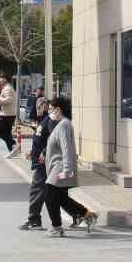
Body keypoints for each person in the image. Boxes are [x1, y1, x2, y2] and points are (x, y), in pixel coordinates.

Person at [42, 97, 96, 237]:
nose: (49, 112)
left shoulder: (64, 125)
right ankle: (87, 215)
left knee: (49, 195)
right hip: (57, 166)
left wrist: (66, 170)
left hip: (60, 167)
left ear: (58, 109)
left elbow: (67, 148)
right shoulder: (62, 124)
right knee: (60, 197)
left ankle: (57, 227)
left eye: (51, 109)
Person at [19, 103, 57, 231]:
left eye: (40, 106)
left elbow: (53, 139)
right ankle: (79, 214)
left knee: (37, 190)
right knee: (50, 193)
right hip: (41, 161)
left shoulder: (50, 120)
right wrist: (32, 151)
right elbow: (40, 139)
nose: (37, 109)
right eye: (37, 106)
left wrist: (45, 152)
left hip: (44, 162)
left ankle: (34, 220)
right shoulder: (44, 120)